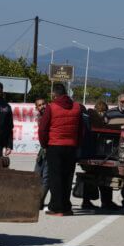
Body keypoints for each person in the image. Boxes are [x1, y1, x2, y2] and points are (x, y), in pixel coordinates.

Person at [38, 83, 83, 216]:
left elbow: (43, 129)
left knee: (55, 177)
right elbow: (81, 129)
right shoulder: (77, 107)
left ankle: (56, 208)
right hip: (71, 146)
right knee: (68, 177)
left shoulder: (51, 107)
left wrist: (44, 144)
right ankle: (66, 207)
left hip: (55, 145)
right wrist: (77, 144)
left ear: (54, 94)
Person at [33, 97, 49, 207]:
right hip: (43, 149)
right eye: (39, 105)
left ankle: (39, 202)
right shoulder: (39, 117)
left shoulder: (50, 116)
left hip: (51, 148)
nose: (42, 106)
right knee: (36, 174)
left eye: (43, 104)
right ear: (36, 107)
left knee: (46, 176)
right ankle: (34, 199)